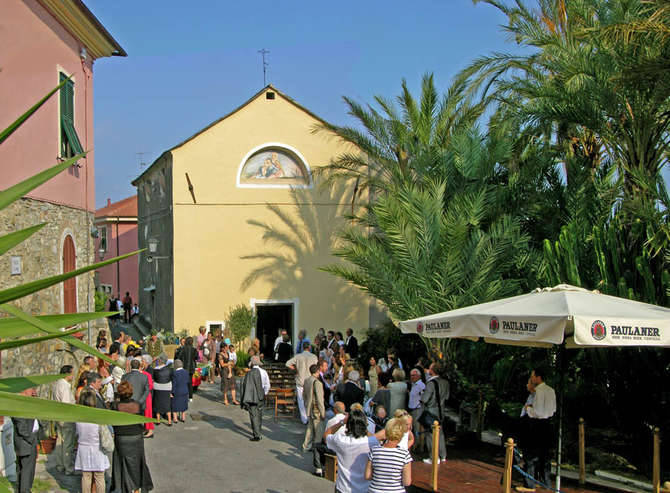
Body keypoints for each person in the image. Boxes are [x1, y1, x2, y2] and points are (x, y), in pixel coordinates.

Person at [324, 405, 380, 493]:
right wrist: (363, 427)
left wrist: (342, 422)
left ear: (348, 425)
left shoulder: (341, 440)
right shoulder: (371, 442)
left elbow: (326, 435)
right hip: (364, 489)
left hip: (343, 488)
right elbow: (375, 438)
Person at [111, 381, 154, 493]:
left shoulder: (115, 406)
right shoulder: (137, 405)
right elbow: (141, 420)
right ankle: (136, 487)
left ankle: (125, 487)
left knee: (123, 463)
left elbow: (112, 422)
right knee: (137, 462)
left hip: (122, 437)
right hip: (135, 436)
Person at [519, 367, 556, 492]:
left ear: (538, 377)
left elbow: (538, 412)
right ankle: (546, 482)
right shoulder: (551, 390)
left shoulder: (538, 392)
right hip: (547, 425)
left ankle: (529, 485)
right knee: (545, 456)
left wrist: (528, 408)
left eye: (532, 376)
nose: (531, 378)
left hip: (536, 425)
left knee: (531, 456)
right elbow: (553, 410)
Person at [76, 390, 111, 493]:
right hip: (97, 448)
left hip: (83, 448)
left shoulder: (78, 417)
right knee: (99, 477)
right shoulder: (97, 417)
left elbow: (76, 433)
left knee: (86, 476)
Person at [365, 417, 412, 493]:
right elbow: (407, 482)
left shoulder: (374, 451)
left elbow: (367, 476)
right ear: (401, 435)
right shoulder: (404, 454)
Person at [421, 362, 449, 465]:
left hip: (431, 411)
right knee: (440, 433)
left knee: (431, 434)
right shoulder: (445, 382)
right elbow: (447, 397)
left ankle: (433, 457)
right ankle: (443, 455)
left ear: (432, 371)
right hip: (441, 411)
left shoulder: (431, 383)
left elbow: (425, 399)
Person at [12, 387, 39, 493]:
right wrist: (31, 439)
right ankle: (24, 490)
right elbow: (21, 427)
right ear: (24, 390)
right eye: (31, 389)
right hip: (26, 442)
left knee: (24, 470)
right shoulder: (18, 404)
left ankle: (23, 489)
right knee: (26, 471)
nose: (33, 392)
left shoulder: (27, 402)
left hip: (29, 440)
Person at [286, 341, 318, 425]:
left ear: (302, 347)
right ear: (309, 348)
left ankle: (304, 419)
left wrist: (295, 369)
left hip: (300, 380)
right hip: (310, 380)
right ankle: (311, 416)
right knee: (310, 399)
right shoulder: (314, 357)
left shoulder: (298, 356)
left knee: (301, 400)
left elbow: (287, 364)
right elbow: (316, 367)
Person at [240, 355, 270, 441]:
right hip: (261, 395)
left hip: (252, 397)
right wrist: (264, 393)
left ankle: (257, 435)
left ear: (252, 363)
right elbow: (267, 385)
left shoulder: (249, 373)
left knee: (253, 415)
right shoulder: (264, 372)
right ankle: (259, 431)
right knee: (259, 414)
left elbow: (246, 386)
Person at [52, 365, 75, 475]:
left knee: (59, 441)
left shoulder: (56, 384)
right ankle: (68, 467)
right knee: (68, 443)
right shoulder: (65, 386)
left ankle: (60, 464)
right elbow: (66, 403)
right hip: (66, 417)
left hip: (57, 415)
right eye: (71, 373)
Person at [312, 401, 346, 477]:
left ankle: (319, 469)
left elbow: (325, 437)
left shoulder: (331, 421)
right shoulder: (348, 421)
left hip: (335, 449)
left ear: (335, 410)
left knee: (316, 446)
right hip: (346, 447)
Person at [302, 364, 325, 454]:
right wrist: (322, 412)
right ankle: (317, 448)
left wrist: (306, 405)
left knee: (310, 428)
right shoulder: (317, 383)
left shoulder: (307, 380)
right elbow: (320, 399)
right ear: (318, 371)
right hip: (316, 409)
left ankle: (306, 446)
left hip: (309, 407)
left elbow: (304, 395)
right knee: (318, 429)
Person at [152, 354, 173, 425]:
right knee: (167, 403)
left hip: (157, 387)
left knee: (157, 403)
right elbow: (171, 378)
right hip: (167, 387)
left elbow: (154, 378)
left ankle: (158, 420)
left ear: (160, 360)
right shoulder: (170, 369)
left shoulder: (155, 369)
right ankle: (169, 421)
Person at [408, 367, 425, 446]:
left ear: (419, 376)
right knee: (413, 428)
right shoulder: (413, 385)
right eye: (411, 375)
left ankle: (417, 445)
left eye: (413, 375)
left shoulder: (421, 385)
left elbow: (423, 397)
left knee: (417, 428)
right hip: (412, 409)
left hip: (417, 409)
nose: (412, 377)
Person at [140, 355, 155, 438]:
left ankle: (150, 430)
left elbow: (150, 384)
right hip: (145, 393)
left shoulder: (149, 371)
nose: (141, 362)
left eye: (142, 360)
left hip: (147, 394)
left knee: (148, 412)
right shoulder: (145, 369)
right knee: (146, 411)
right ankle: (147, 428)